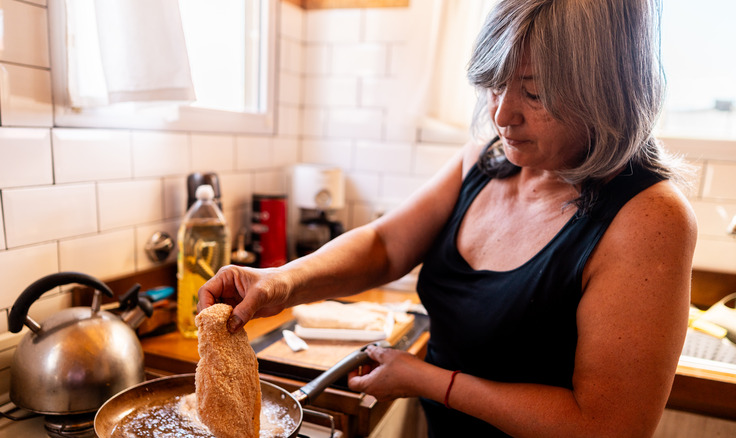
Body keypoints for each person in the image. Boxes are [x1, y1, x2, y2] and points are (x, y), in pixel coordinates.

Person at [198, 0, 697, 436]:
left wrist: (428, 380)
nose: (502, 114)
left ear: (607, 91)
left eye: (535, 93)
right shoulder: (484, 161)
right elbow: (385, 247)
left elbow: (608, 429)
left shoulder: (650, 218)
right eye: (494, 83)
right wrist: (281, 283)